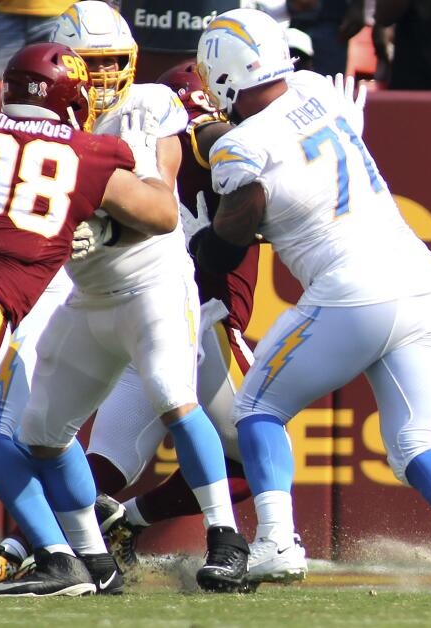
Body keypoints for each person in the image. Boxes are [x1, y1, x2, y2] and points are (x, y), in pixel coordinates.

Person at [190, 8, 431, 592]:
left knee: (255, 409)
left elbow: (228, 244)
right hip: (419, 277)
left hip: (354, 287)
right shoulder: (316, 89)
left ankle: (276, 540)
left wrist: (199, 236)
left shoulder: (239, 146)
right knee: (415, 443)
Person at [6, 0, 250, 594]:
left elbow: (161, 205)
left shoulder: (148, 104)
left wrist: (102, 224)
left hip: (153, 284)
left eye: (118, 61)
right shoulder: (42, 122)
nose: (109, 76)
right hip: (89, 297)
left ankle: (227, 538)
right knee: (41, 431)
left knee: (172, 394)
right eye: (95, 63)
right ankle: (92, 558)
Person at [0, 42, 178, 596]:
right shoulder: (91, 151)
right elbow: (160, 213)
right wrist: (159, 157)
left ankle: (70, 560)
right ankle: (73, 560)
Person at [82, 61, 261, 573]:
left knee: (100, 467)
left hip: (135, 317)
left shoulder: (129, 147)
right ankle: (270, 539)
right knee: (260, 444)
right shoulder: (211, 141)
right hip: (196, 320)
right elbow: (216, 137)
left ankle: (44, 542)